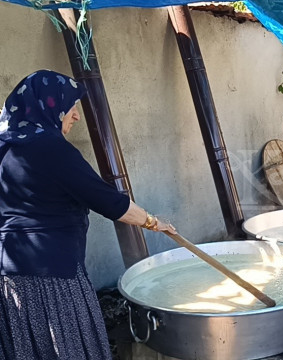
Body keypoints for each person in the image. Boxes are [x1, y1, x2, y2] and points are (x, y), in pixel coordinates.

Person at [0, 70, 176, 359]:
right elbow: (109, 202)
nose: (76, 116)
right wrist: (153, 222)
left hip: (8, 276)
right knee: (68, 349)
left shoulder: (5, 145)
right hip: (52, 278)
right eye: (71, 106)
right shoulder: (49, 148)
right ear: (49, 106)